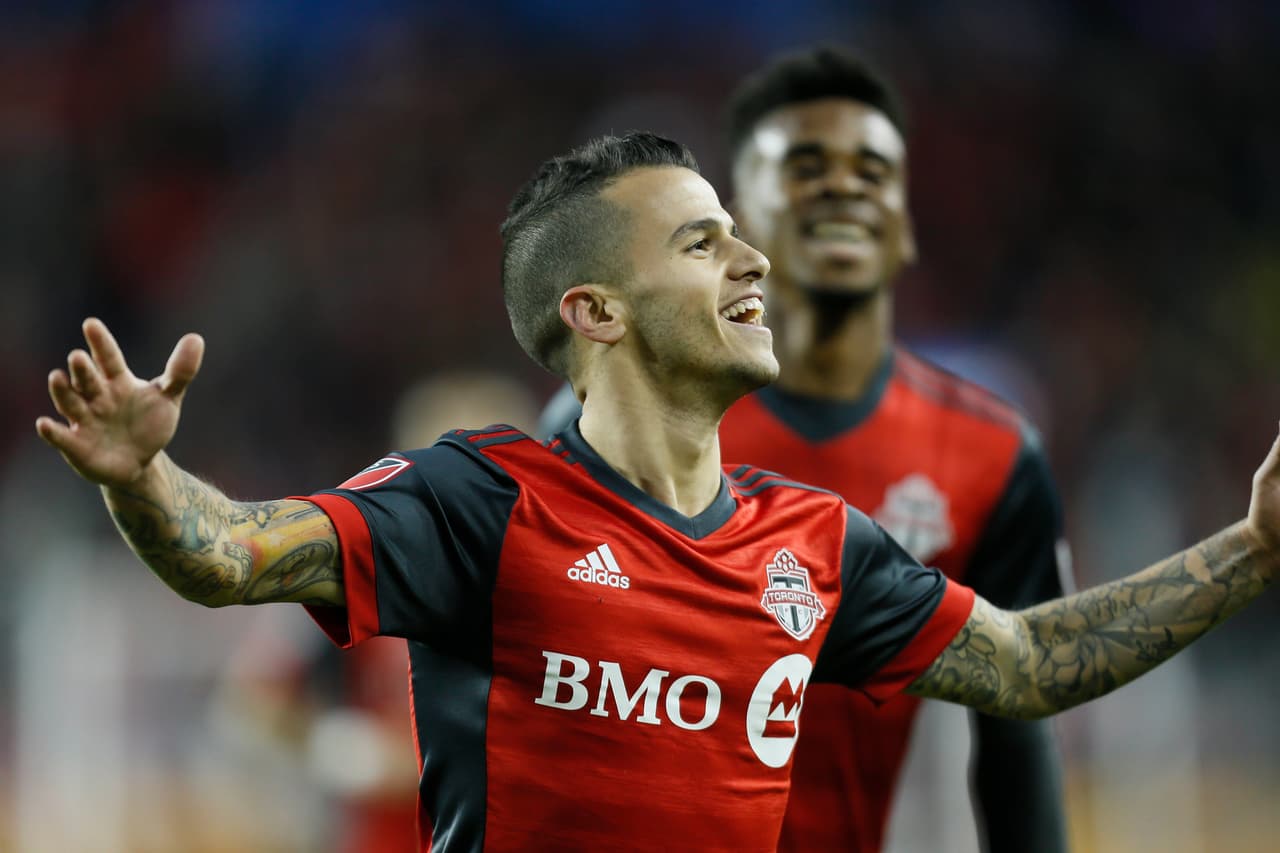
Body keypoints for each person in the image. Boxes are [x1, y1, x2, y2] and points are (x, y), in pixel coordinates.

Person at [37, 132, 1280, 852]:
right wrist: (143, 476)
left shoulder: (815, 545)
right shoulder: (481, 501)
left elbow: (1025, 663)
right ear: (595, 311)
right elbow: (228, 555)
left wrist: (1253, 545)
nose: (750, 258)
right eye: (700, 241)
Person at [538, 48, 1071, 852]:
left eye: (872, 171)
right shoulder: (611, 413)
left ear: (903, 217)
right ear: (735, 217)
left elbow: (1019, 729)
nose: (843, 188)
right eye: (805, 168)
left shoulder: (993, 453)